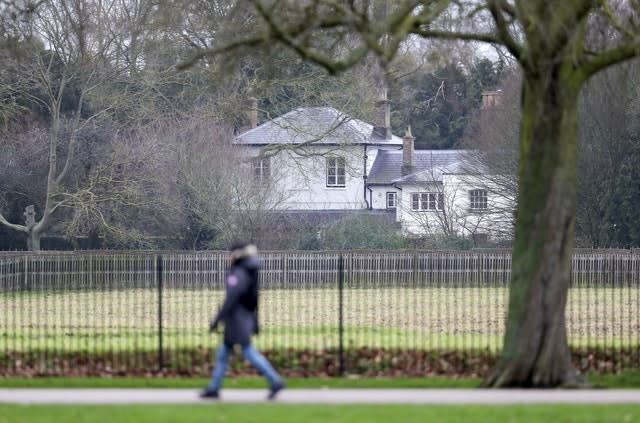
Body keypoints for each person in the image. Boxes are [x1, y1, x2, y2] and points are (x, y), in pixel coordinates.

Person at [200, 242, 285, 400]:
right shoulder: (247, 271)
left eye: (229, 254)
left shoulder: (238, 273)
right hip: (242, 318)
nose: (227, 257)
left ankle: (275, 381)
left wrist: (217, 319)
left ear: (236, 255)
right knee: (223, 353)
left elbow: (231, 298)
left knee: (248, 352)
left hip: (236, 320)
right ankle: (214, 388)